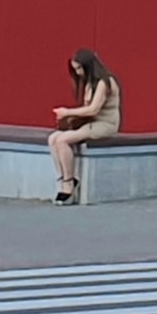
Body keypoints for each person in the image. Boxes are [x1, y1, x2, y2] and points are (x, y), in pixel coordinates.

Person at [49, 49, 120, 203]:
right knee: (53, 139)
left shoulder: (105, 82)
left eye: (80, 68)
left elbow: (93, 109)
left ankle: (69, 182)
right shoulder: (89, 83)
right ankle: (63, 177)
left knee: (62, 140)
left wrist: (67, 112)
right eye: (75, 69)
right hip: (92, 122)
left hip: (105, 124)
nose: (78, 73)